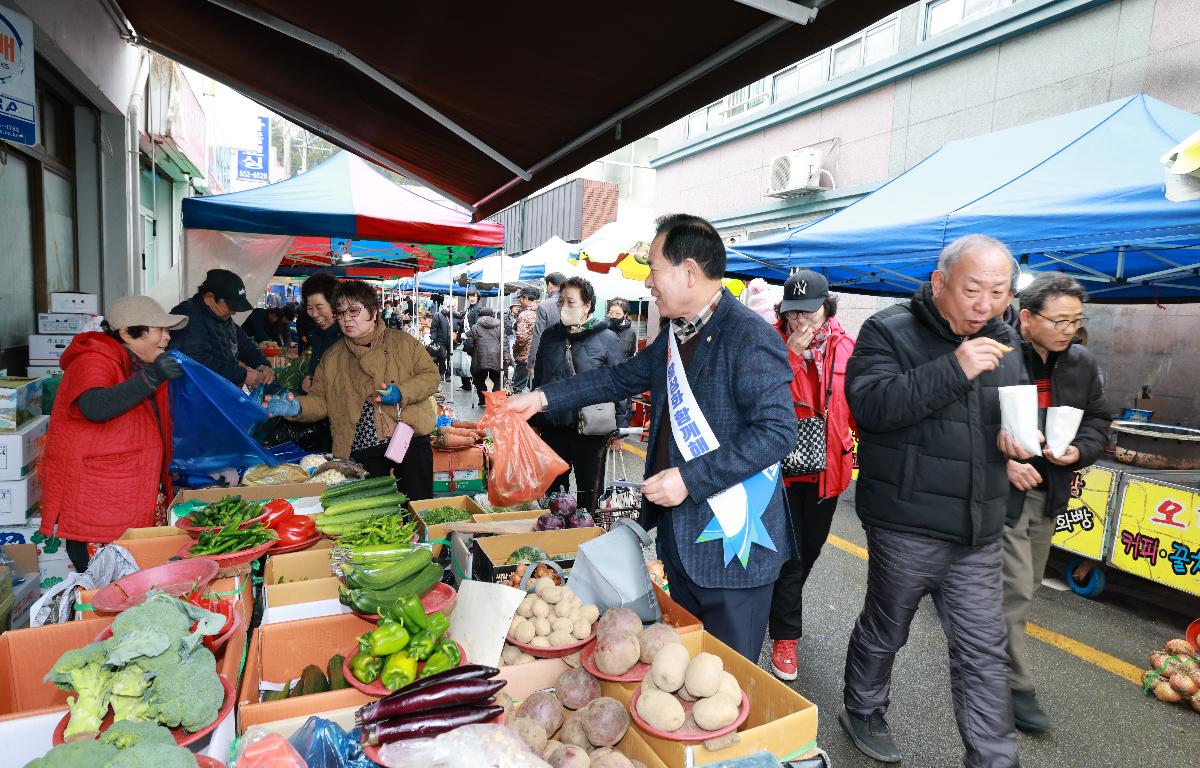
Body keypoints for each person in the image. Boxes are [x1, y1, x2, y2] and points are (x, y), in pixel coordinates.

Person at [508, 215, 796, 660]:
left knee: (728, 675)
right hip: (677, 538)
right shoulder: (676, 334)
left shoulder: (749, 337)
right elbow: (618, 379)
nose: (648, 283)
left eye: (654, 269)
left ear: (689, 272)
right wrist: (542, 398)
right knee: (676, 668)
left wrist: (690, 478)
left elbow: (778, 432)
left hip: (732, 544)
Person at [839, 234, 1032, 767]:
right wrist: (956, 366)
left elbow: (1002, 419)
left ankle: (993, 759)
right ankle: (863, 707)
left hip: (979, 527)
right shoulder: (889, 330)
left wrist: (1013, 447)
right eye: (973, 289)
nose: (985, 305)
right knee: (887, 627)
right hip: (907, 522)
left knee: (983, 652)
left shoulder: (1006, 342)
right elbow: (872, 408)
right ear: (939, 283)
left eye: (998, 293)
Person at [1002, 273, 1109, 734]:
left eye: (1076, 321)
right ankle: (1014, 687)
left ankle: (986, 663)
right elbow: (969, 421)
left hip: (1051, 492)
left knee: (1023, 592)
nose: (1068, 329)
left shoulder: (1082, 364)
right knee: (1017, 590)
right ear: (1027, 318)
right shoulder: (999, 354)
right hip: (1003, 495)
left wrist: (1079, 451)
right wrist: (1001, 457)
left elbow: (1101, 419)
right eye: (1059, 320)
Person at [40, 296, 186, 573]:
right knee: (107, 587)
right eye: (160, 329)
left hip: (133, 490)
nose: (167, 337)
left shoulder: (138, 362)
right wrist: (152, 377)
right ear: (127, 332)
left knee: (137, 584)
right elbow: (94, 406)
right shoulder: (93, 359)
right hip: (101, 500)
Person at [269, 280, 440, 501]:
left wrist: (401, 392)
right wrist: (297, 406)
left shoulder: (404, 343)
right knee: (373, 515)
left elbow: (430, 376)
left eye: (354, 311)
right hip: (360, 447)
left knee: (417, 503)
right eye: (340, 313)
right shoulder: (333, 357)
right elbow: (321, 400)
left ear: (374, 311)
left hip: (408, 439)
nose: (346, 319)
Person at [768, 270, 857, 682]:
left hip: (828, 472)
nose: (800, 320)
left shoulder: (847, 349)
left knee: (809, 552)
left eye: (809, 311)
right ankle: (786, 636)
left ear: (827, 308)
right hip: (780, 473)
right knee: (789, 556)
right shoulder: (771, 343)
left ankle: (776, 608)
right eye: (792, 313)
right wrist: (789, 354)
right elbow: (762, 398)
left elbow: (861, 408)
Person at [530, 276, 627, 513]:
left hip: (591, 431)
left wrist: (620, 429)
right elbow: (540, 379)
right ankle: (555, 537)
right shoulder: (550, 336)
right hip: (554, 427)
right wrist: (534, 420)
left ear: (587, 305)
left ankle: (587, 536)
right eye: (561, 301)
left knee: (589, 493)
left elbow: (621, 384)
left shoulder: (607, 338)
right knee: (553, 494)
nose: (564, 307)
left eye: (570, 302)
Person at [170, 269, 274, 389]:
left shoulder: (220, 315)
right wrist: (242, 375)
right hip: (194, 396)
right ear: (210, 298)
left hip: (218, 392)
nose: (234, 312)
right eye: (231, 306)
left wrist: (262, 364)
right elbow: (198, 363)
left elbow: (243, 344)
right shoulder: (188, 316)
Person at [300, 272, 342, 394]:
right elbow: (313, 374)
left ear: (335, 305)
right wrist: (305, 382)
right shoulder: (316, 335)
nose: (314, 314)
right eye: (309, 308)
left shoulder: (348, 337)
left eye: (319, 307)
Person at [466, 307, 509, 406]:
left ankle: (483, 400)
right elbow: (504, 342)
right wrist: (506, 356)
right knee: (498, 379)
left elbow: (469, 344)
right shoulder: (499, 326)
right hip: (497, 357)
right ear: (493, 315)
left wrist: (471, 352)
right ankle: (494, 400)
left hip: (480, 357)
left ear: (480, 315)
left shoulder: (475, 327)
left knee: (479, 379)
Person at [527, 272, 565, 370]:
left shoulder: (544, 306)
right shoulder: (573, 304)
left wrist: (531, 362)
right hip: (569, 358)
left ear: (549, 285)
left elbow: (537, 335)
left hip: (548, 357)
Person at [511, 288, 540, 392]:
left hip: (525, 356)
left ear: (526, 298)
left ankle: (518, 407)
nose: (520, 301)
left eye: (521, 299)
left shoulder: (525, 314)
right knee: (534, 386)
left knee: (517, 387)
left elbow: (521, 338)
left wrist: (515, 350)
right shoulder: (542, 311)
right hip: (539, 355)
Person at [458, 289, 482, 392]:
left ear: (478, 298)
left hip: (472, 341)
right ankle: (466, 384)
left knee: (471, 363)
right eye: (470, 296)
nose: (471, 298)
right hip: (466, 340)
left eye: (474, 296)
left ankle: (472, 384)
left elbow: (477, 326)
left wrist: (466, 334)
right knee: (465, 362)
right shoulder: (469, 309)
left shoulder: (478, 309)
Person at [429, 305, 453, 381]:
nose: (448, 309)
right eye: (447, 307)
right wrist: (433, 339)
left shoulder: (453, 316)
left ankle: (448, 374)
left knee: (450, 358)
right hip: (440, 340)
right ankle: (441, 372)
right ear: (444, 307)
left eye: (451, 307)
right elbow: (434, 328)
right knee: (443, 356)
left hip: (451, 341)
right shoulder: (438, 315)